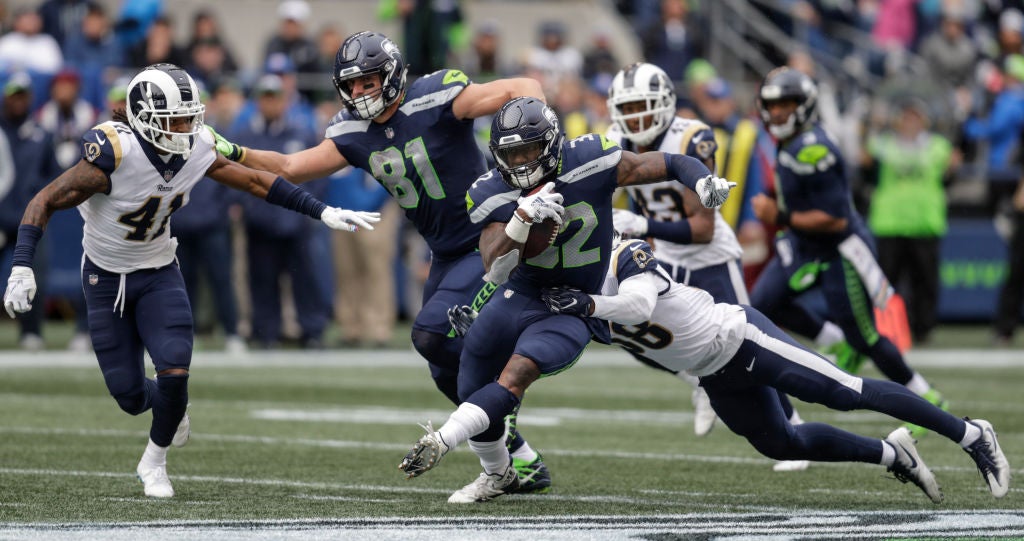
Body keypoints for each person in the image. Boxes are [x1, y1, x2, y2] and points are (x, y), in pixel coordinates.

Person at [2, 63, 380, 499]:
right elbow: (44, 199)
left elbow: (256, 179)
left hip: (160, 269)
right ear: (144, 117)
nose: (185, 128)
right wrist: (22, 264)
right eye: (174, 120)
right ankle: (169, 407)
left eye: (189, 117)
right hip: (104, 275)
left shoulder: (197, 144)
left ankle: (155, 461)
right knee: (127, 393)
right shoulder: (114, 151)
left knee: (176, 369)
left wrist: (322, 211)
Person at [209, 31, 554, 492]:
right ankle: (519, 458)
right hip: (446, 252)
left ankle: (506, 383)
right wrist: (232, 150)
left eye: (366, 82)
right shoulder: (352, 132)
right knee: (440, 365)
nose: (358, 93)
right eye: (350, 85)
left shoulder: (436, 96)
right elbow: (291, 167)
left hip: (488, 237)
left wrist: (544, 151)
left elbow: (523, 88)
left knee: (431, 331)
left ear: (390, 76)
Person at [398, 96, 734, 503]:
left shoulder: (591, 158)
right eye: (511, 153)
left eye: (529, 150)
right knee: (471, 380)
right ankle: (499, 474)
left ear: (552, 142)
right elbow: (494, 267)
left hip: (573, 300)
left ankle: (443, 439)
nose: (521, 162)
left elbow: (666, 163)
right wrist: (522, 220)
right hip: (519, 292)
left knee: (518, 372)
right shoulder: (491, 190)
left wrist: (701, 181)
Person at [603, 62, 806, 471]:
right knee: (636, 334)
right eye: (629, 108)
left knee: (751, 346)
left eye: (644, 106)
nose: (636, 118)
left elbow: (702, 228)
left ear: (663, 104)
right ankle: (697, 382)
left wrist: (640, 223)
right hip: (665, 257)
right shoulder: (613, 140)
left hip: (710, 256)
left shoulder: (693, 137)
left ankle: (793, 422)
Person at [749, 67, 947, 438]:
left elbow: (836, 221)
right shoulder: (791, 140)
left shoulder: (813, 149)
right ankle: (831, 338)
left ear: (803, 106)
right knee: (762, 304)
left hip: (839, 248)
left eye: (786, 104)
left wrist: (781, 215)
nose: (776, 113)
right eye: (771, 105)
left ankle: (926, 395)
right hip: (803, 242)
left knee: (865, 337)